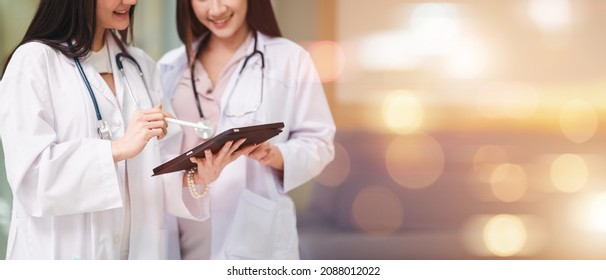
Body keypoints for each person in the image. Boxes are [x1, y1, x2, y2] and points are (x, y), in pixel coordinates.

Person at [0, 0, 252, 259]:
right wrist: (116, 149)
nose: (131, 1)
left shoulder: (140, 66)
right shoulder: (33, 62)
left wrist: (198, 177)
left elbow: (160, 166)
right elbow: (31, 177)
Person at [158, 0, 336, 259]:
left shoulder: (289, 59)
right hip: (181, 225)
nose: (216, 10)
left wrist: (275, 154)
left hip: (250, 232)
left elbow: (319, 141)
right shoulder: (169, 66)